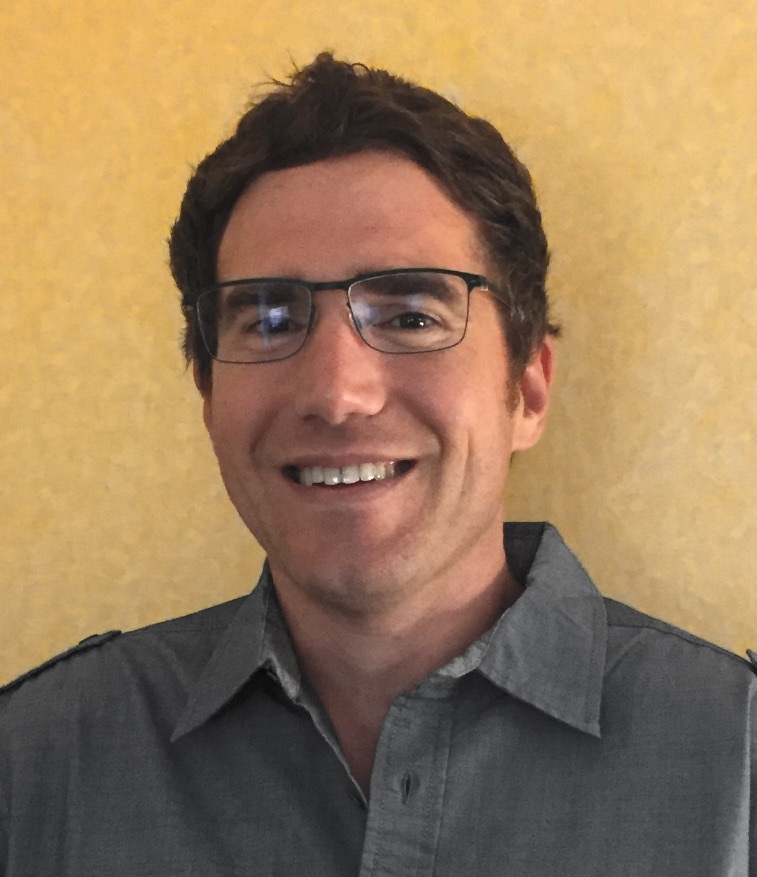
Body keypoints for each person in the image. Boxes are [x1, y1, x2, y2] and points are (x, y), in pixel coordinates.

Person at [0, 53, 754, 876]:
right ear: (207, 392)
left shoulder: (736, 763)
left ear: (528, 390)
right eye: (269, 319)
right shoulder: (37, 763)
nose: (336, 393)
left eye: (410, 315)